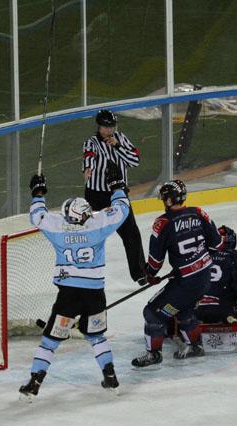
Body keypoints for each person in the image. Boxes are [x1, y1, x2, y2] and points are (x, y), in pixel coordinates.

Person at [19, 168, 131, 399]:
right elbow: (122, 210)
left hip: (68, 297)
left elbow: (37, 215)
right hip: (94, 296)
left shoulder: (56, 227)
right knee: (96, 337)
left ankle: (34, 382)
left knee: (50, 340)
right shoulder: (97, 224)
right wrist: (117, 187)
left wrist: (38, 192)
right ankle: (110, 376)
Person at [131, 179, 224, 368]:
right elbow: (218, 244)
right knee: (184, 308)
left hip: (186, 283)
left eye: (164, 198)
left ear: (169, 200)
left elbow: (155, 262)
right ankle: (195, 346)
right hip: (205, 277)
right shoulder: (199, 213)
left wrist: (150, 276)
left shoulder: (163, 223)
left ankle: (153, 354)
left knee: (153, 312)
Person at [82, 109, 146, 284]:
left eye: (111, 127)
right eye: (105, 127)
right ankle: (87, 271)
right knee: (91, 233)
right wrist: (87, 168)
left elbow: (135, 161)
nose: (109, 130)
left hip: (118, 195)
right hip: (95, 195)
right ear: (99, 126)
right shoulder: (92, 142)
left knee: (131, 234)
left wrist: (117, 146)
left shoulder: (121, 139)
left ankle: (140, 272)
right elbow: (89, 156)